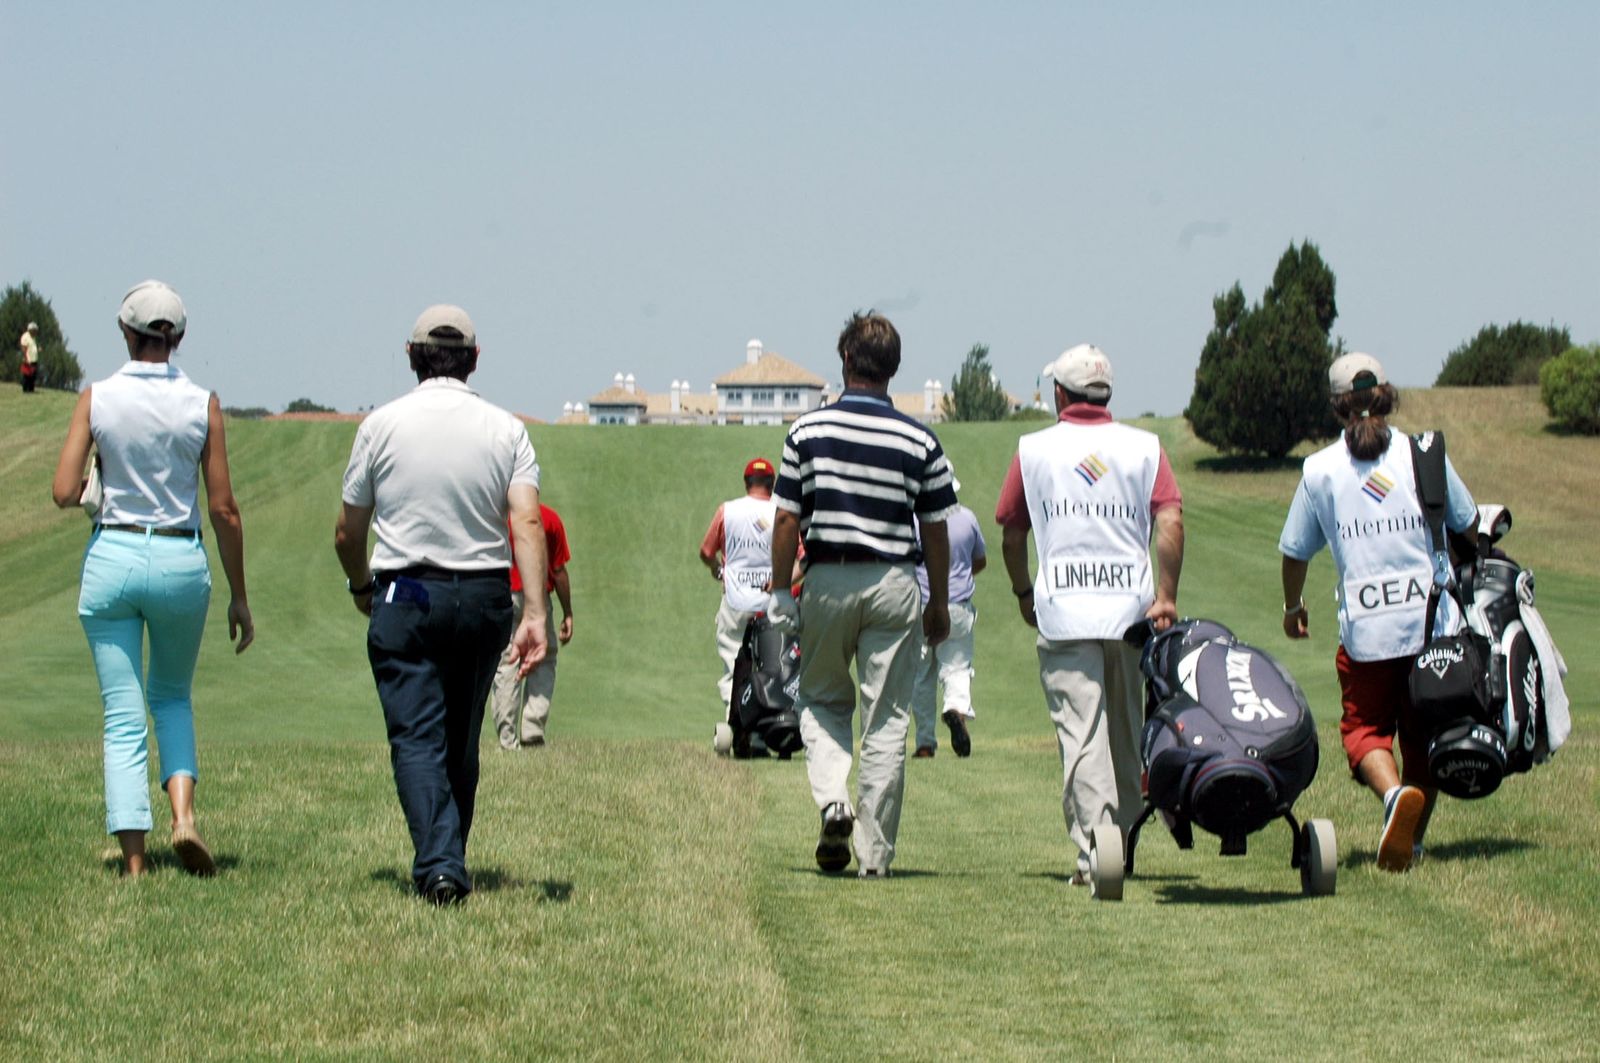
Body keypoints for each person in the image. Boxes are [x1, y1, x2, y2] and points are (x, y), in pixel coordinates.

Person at [334, 304, 548, 906]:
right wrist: (535, 612)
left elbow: (349, 531)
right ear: (475, 361)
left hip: (407, 592)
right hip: (483, 596)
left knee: (416, 736)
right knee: (461, 736)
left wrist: (359, 585)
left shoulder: (381, 426)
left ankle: (439, 865)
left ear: (411, 357)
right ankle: (448, 856)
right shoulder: (506, 429)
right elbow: (526, 519)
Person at [50, 280, 254, 877]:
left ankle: (135, 862)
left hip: (112, 555)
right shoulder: (202, 403)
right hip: (178, 559)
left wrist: (98, 475)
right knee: (171, 696)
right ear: (179, 338)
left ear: (125, 332)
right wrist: (240, 595)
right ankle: (184, 819)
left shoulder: (97, 398)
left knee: (121, 710)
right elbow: (223, 509)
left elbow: (63, 490)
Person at [769, 311, 958, 878]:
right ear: (893, 368)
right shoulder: (920, 438)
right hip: (895, 582)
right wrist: (940, 602)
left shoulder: (807, 432)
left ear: (846, 360)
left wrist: (781, 592)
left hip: (827, 578)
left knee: (823, 700)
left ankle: (833, 800)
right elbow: (937, 527)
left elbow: (785, 520)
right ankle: (875, 857)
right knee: (887, 718)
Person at [1279, 352, 1477, 872]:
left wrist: (1292, 607)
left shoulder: (1319, 470)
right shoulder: (1423, 454)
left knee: (1365, 730)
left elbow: (1295, 551)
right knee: (1423, 737)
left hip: (1366, 633)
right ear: (1385, 394)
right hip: (1434, 629)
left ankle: (1393, 803)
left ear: (1336, 406)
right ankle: (1410, 841)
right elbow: (1468, 522)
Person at [996, 343, 1184, 887]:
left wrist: (1022, 591)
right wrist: (1166, 595)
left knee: (1083, 735)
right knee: (1125, 734)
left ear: (1060, 392)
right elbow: (1170, 520)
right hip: (1131, 610)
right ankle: (1120, 846)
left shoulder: (1034, 449)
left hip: (1064, 611)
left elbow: (1012, 531)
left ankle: (1096, 855)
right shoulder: (1145, 446)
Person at [489, 503, 573, 749]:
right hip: (536, 597)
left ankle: (506, 737)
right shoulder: (548, 518)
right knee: (543, 657)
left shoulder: (495, 516)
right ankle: (532, 730)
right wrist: (568, 612)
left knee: (507, 662)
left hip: (501, 595)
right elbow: (558, 571)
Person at [911, 486, 985, 758]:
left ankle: (925, 743)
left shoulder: (914, 520)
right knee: (956, 668)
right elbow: (979, 561)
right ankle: (956, 710)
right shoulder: (968, 517)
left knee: (921, 677)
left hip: (921, 605)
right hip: (959, 606)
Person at [700, 458, 778, 714]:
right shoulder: (782, 513)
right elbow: (801, 557)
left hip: (735, 600)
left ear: (746, 483)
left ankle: (738, 722)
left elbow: (706, 551)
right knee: (772, 662)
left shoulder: (727, 511)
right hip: (771, 601)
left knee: (734, 662)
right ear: (772, 483)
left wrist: (718, 570)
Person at [19, 321, 40, 392]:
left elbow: (32, 347)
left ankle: (31, 389)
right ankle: (25, 390)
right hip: (28, 360)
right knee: (27, 376)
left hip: (34, 360)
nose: (36, 332)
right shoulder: (25, 337)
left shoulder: (33, 337)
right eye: (34, 330)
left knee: (33, 376)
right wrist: (25, 358)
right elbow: (24, 348)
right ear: (31, 330)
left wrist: (38, 349)